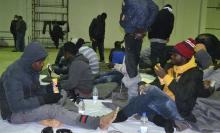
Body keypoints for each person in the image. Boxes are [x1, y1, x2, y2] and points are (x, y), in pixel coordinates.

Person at [0, 42, 117, 130]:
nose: (43, 65)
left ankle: (48, 117)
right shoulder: (13, 76)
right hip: (14, 114)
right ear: (32, 60)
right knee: (53, 109)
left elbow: (35, 89)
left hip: (28, 102)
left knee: (61, 94)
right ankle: (98, 122)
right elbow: (16, 106)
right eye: (40, 62)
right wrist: (45, 99)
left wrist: (48, 90)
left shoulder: (30, 68)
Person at [113, 39, 213, 133]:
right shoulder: (170, 66)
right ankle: (164, 122)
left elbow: (184, 95)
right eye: (172, 54)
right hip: (161, 105)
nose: (171, 57)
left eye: (175, 55)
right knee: (138, 97)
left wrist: (165, 77)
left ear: (185, 57)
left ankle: (121, 116)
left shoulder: (195, 73)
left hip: (178, 110)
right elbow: (157, 84)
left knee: (146, 96)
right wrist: (144, 85)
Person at [119, 0, 158, 100]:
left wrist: (138, 28)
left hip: (133, 33)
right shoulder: (147, 2)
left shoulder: (130, 1)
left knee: (131, 67)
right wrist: (145, 27)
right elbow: (155, 9)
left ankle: (133, 95)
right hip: (138, 34)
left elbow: (125, 15)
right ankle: (134, 91)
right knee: (134, 62)